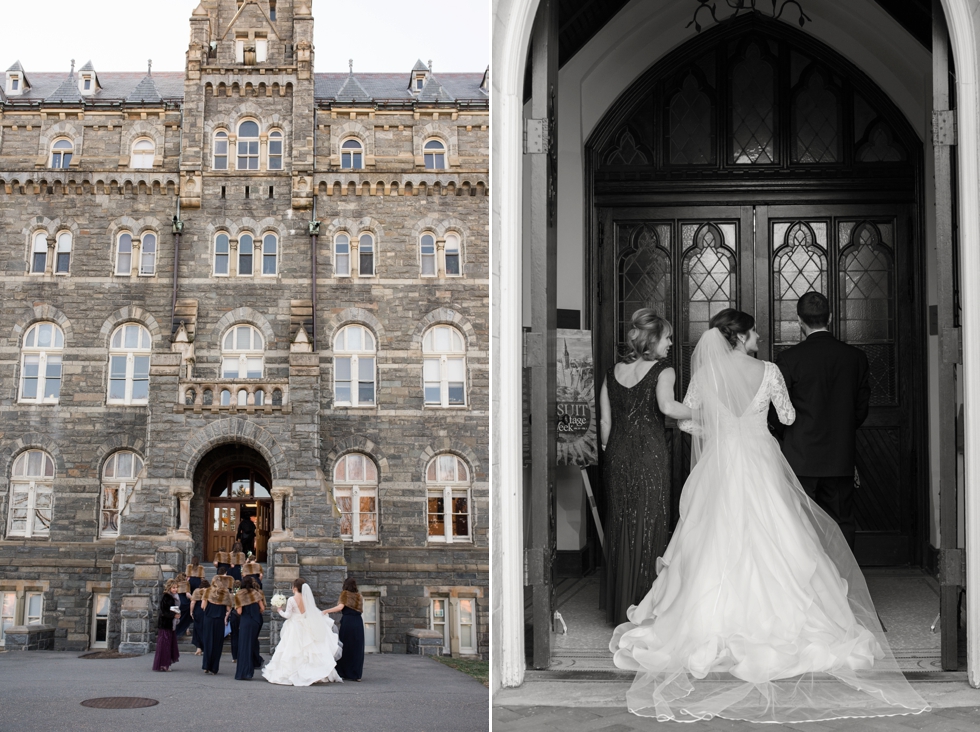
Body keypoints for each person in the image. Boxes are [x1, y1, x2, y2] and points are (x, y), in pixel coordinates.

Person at [610, 309, 928, 723]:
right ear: (741, 337)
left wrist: (721, 432)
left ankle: (704, 622)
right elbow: (790, 417)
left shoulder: (707, 376)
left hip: (721, 469)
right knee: (780, 539)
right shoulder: (770, 371)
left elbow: (689, 422)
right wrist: (755, 425)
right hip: (761, 463)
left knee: (712, 539)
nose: (760, 335)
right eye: (755, 330)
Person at [598, 309, 684, 625]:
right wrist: (704, 412)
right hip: (650, 455)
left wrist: (612, 450)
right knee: (650, 523)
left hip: (618, 455)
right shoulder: (664, 370)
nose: (671, 343)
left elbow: (605, 422)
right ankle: (646, 605)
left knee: (621, 523)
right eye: (667, 337)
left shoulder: (612, 373)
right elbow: (667, 407)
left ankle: (620, 607)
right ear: (653, 339)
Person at [769, 291, 870, 549]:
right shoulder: (855, 358)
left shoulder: (789, 359)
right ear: (831, 318)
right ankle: (842, 583)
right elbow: (860, 411)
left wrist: (788, 438)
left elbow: (778, 412)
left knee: (799, 521)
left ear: (799, 321)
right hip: (839, 455)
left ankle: (808, 585)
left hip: (800, 456)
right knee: (841, 521)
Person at [263, 578, 343, 686]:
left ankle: (291, 673)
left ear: (295, 588)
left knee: (292, 650)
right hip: (305, 625)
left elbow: (288, 616)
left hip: (294, 626)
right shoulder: (307, 599)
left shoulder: (292, 599)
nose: (292, 588)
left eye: (292, 586)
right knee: (307, 650)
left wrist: (279, 610)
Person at [323, 576, 364, 681]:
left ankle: (343, 672)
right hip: (358, 622)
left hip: (348, 622)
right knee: (357, 648)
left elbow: (340, 607)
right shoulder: (359, 596)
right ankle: (356, 674)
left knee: (345, 646)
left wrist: (326, 611)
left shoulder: (345, 594)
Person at [234, 577, 266, 681]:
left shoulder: (239, 594)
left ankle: (243, 672)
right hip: (255, 621)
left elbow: (239, 611)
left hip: (246, 621)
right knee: (251, 644)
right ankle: (250, 669)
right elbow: (262, 608)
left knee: (244, 646)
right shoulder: (256, 593)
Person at [200, 576, 233, 675]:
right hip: (219, 620)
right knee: (217, 643)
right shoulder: (225, 593)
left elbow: (202, 606)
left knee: (207, 642)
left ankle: (206, 666)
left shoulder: (208, 591)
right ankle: (214, 668)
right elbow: (228, 608)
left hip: (208, 619)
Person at [152, 580, 180, 672]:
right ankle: (163, 664)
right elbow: (164, 612)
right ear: (169, 588)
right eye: (173, 588)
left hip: (171, 623)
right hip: (165, 624)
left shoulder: (174, 597)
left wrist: (177, 615)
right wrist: (173, 615)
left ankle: (165, 663)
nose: (175, 589)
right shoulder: (166, 597)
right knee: (165, 645)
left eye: (176, 587)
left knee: (168, 645)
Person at [190, 578, 210, 655]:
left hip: (198, 610)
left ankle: (198, 647)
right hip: (207, 610)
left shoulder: (196, 591)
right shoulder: (209, 591)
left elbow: (193, 602)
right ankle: (205, 646)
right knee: (206, 629)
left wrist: (191, 612)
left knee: (197, 628)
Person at [174, 573, 193, 639]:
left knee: (178, 616)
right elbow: (187, 594)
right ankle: (187, 629)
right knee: (187, 615)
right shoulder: (186, 583)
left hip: (177, 601)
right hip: (184, 601)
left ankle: (177, 630)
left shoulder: (175, 584)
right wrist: (193, 599)